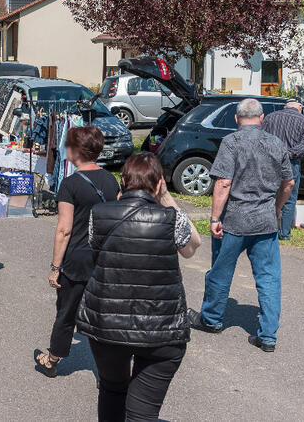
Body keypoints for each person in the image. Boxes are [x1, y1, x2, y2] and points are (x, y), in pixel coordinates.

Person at [76, 152, 201, 422]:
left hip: (107, 323)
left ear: (124, 183)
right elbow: (192, 247)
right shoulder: (171, 219)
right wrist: (166, 198)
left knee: (111, 389)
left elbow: (96, 252)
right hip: (162, 330)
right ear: (158, 185)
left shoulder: (98, 215)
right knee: (142, 412)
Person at [187, 98, 295, 352]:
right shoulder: (275, 143)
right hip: (265, 221)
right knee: (268, 279)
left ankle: (212, 319)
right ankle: (268, 335)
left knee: (220, 272)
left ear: (236, 119)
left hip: (234, 220)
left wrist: (215, 218)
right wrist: (277, 208)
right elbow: (288, 183)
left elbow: (223, 182)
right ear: (262, 118)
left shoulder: (231, 142)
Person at [34, 126, 120, 378]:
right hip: (104, 258)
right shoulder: (110, 180)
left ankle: (52, 360)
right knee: (103, 315)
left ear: (75, 151)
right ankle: (108, 371)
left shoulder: (70, 184)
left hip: (77, 259)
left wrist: (54, 267)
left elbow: (64, 230)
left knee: (67, 311)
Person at [261, 100, 304, 240]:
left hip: (269, 161)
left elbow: (261, 138)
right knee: (289, 198)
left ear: (285, 107)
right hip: (291, 162)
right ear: (300, 108)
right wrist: (288, 153)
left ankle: (265, 230)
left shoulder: (270, 117)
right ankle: (284, 233)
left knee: (267, 194)